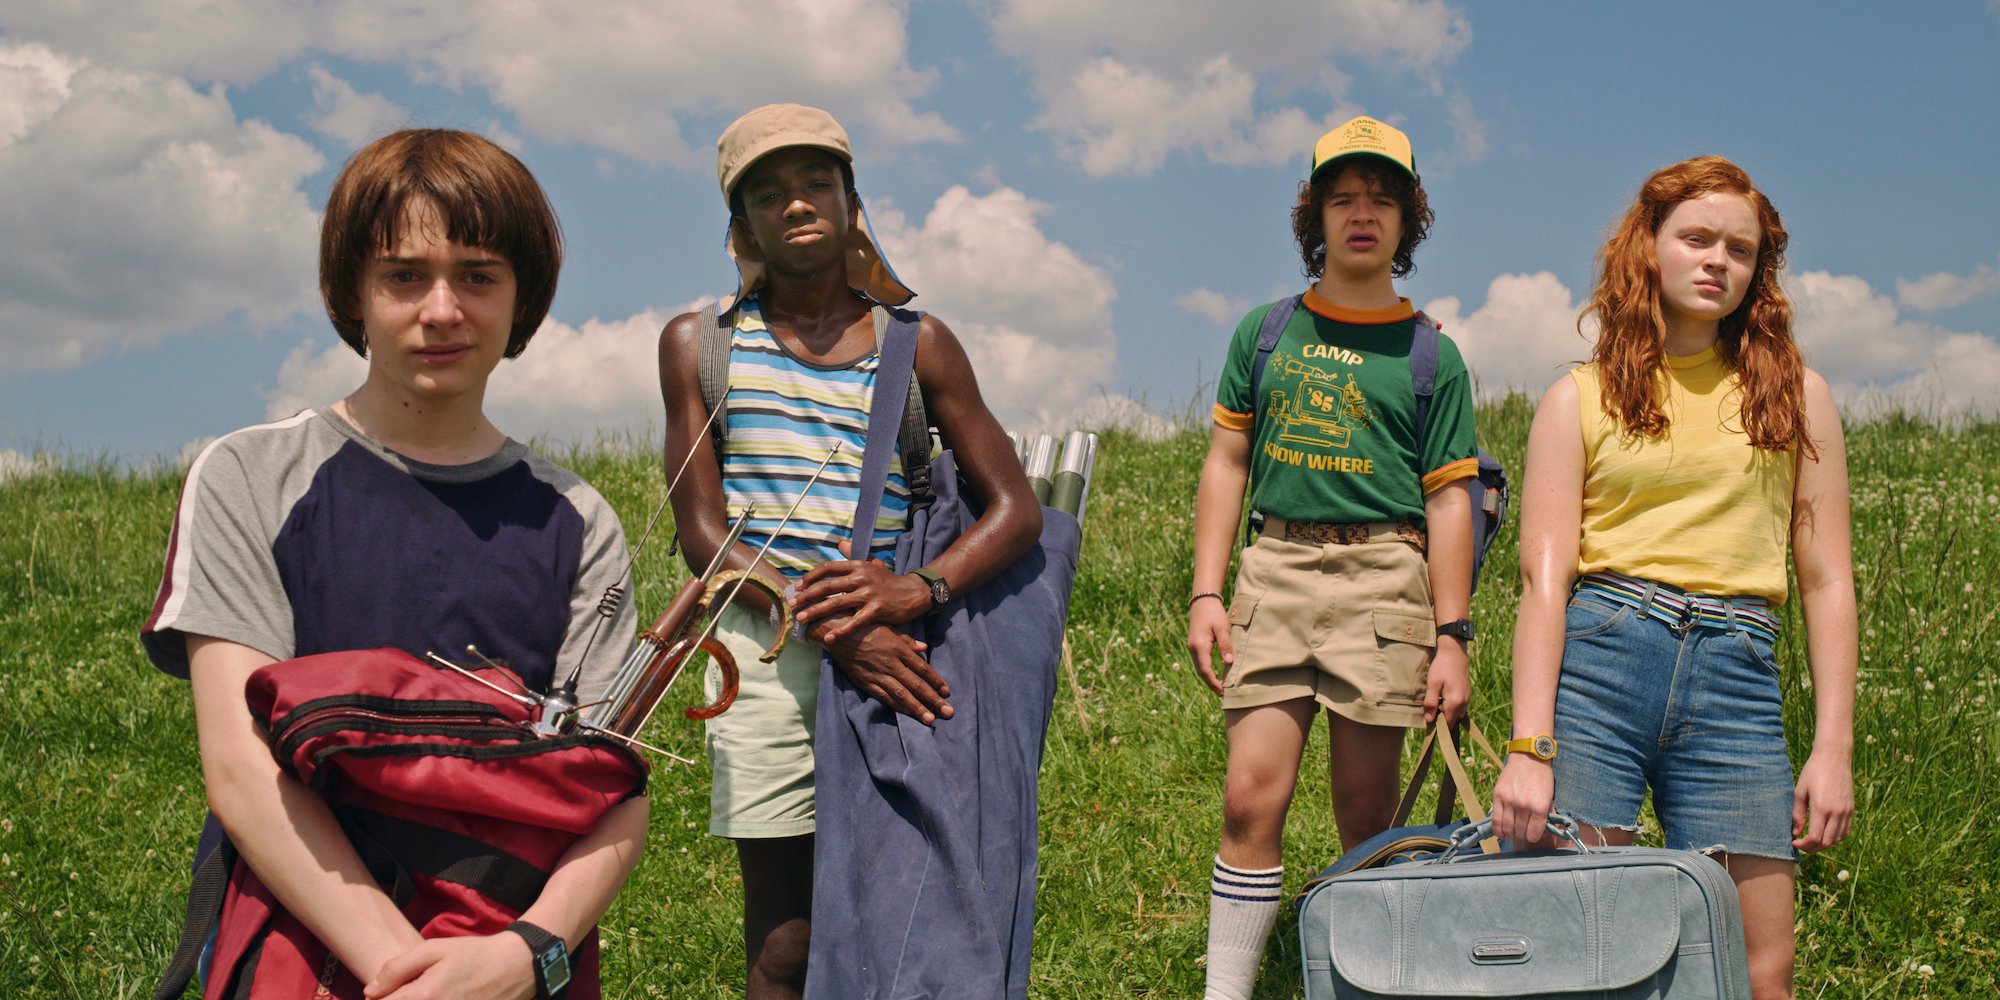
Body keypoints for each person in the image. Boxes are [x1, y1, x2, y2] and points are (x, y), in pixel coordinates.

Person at [141, 128, 647, 999]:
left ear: (523, 298)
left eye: (479, 275)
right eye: (404, 275)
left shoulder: (579, 520)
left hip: (510, 963)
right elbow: (240, 764)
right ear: (353, 294)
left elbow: (615, 796)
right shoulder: (253, 478)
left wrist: (528, 954)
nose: (442, 309)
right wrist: (396, 967)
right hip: (304, 946)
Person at [654, 103, 1040, 999]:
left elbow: (1015, 508)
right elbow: (704, 536)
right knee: (787, 937)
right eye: (768, 193)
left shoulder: (918, 345)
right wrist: (830, 624)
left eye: (816, 183)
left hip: (904, 652)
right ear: (738, 225)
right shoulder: (701, 345)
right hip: (769, 650)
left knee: (910, 910)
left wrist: (918, 591)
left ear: (852, 201)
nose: (797, 204)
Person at [1489, 155, 1857, 999]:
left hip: (1736, 679)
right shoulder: (1575, 399)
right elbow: (1546, 584)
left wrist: (1832, 747)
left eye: (1739, 248)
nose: (1716, 260)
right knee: (1574, 956)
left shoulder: (1799, 397)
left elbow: (1828, 579)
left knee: (1761, 969)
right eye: (1696, 238)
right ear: (1647, 247)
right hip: (1600, 667)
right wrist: (1528, 747)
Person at [1185, 115, 1479, 1000]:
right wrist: (1207, 591)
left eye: (1382, 200)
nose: (1362, 215)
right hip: (1273, 569)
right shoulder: (1267, 332)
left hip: (1386, 579)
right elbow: (1226, 462)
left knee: (1367, 812)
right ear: (1314, 216)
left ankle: (1366, 983)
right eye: (1342, 198)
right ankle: (1226, 989)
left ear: (1408, 221)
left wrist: (1453, 634)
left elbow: (1449, 500)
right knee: (1249, 796)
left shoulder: (1434, 355)